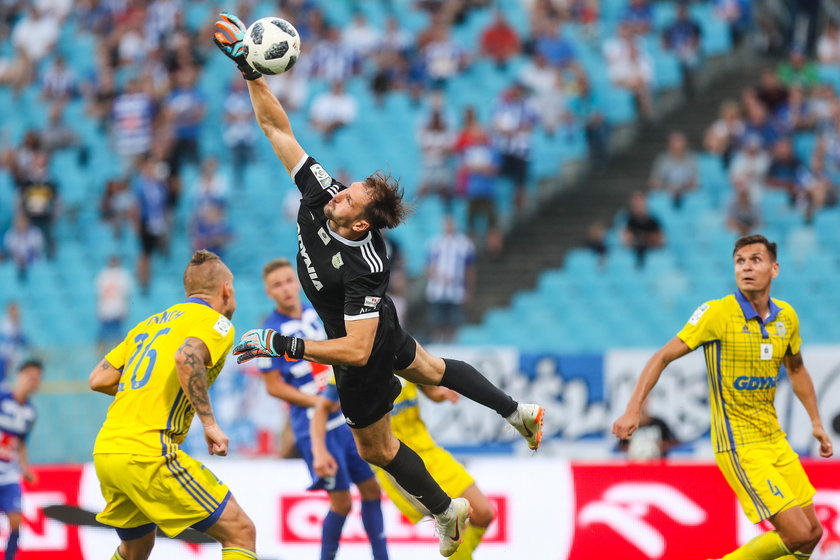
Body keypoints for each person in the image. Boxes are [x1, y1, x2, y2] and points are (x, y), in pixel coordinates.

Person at [213, 13, 544, 557]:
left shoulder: (365, 264)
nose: (338, 193)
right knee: (430, 368)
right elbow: (277, 130)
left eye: (352, 196)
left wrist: (281, 343)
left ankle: (446, 510)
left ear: (362, 222)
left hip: (359, 342)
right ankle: (518, 413)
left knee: (377, 446)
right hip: (372, 325)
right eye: (347, 188)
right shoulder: (324, 194)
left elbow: (357, 348)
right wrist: (252, 72)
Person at [613, 235, 834, 560]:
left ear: (774, 269)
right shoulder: (716, 314)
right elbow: (662, 356)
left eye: (755, 260)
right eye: (740, 261)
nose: (746, 267)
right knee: (796, 533)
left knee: (813, 534)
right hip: (739, 445)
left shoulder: (786, 317)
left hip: (774, 440)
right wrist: (632, 410)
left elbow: (797, 370)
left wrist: (816, 423)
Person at [87, 250, 258, 560]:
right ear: (226, 289)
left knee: (135, 549)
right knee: (240, 531)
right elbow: (186, 358)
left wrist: (147, 392)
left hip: (108, 451)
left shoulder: (148, 325)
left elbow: (98, 378)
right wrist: (209, 424)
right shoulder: (215, 323)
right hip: (147, 452)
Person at [255, 258, 389, 560]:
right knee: (341, 503)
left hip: (346, 420)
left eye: (289, 280)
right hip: (314, 427)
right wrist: (318, 401)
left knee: (371, 491)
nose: (286, 289)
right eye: (277, 285)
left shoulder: (317, 312)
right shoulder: (268, 333)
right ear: (268, 292)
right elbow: (273, 386)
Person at [313, 379, 496, 560]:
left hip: (430, 452)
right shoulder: (350, 364)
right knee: (455, 525)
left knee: (484, 513)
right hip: (395, 464)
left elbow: (429, 387)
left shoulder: (402, 353)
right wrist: (319, 452)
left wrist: (439, 394)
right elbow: (322, 408)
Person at [0, 360, 42, 560]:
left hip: (8, 473)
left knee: (16, 521)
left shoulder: (30, 413)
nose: (33, 382)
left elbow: (21, 443)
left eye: (36, 379)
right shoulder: (2, 397)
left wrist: (26, 469)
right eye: (30, 376)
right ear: (19, 375)